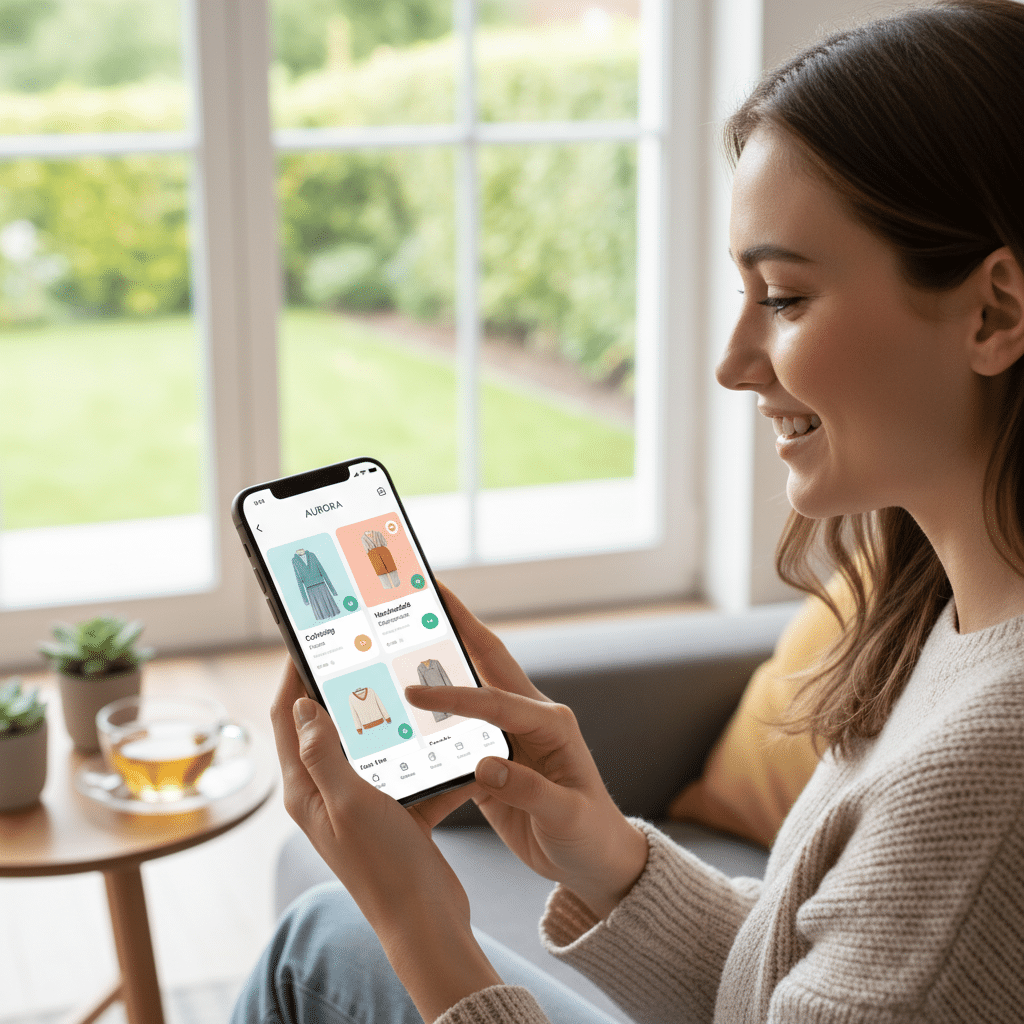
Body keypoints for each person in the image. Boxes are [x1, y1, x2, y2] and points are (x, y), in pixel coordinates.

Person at [231, 1, 1024, 1020]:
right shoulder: (938, 613)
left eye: (781, 298)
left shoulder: (988, 773)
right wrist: (604, 854)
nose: (733, 364)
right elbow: (802, 985)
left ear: (994, 312)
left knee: (332, 946)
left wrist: (418, 922)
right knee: (319, 936)